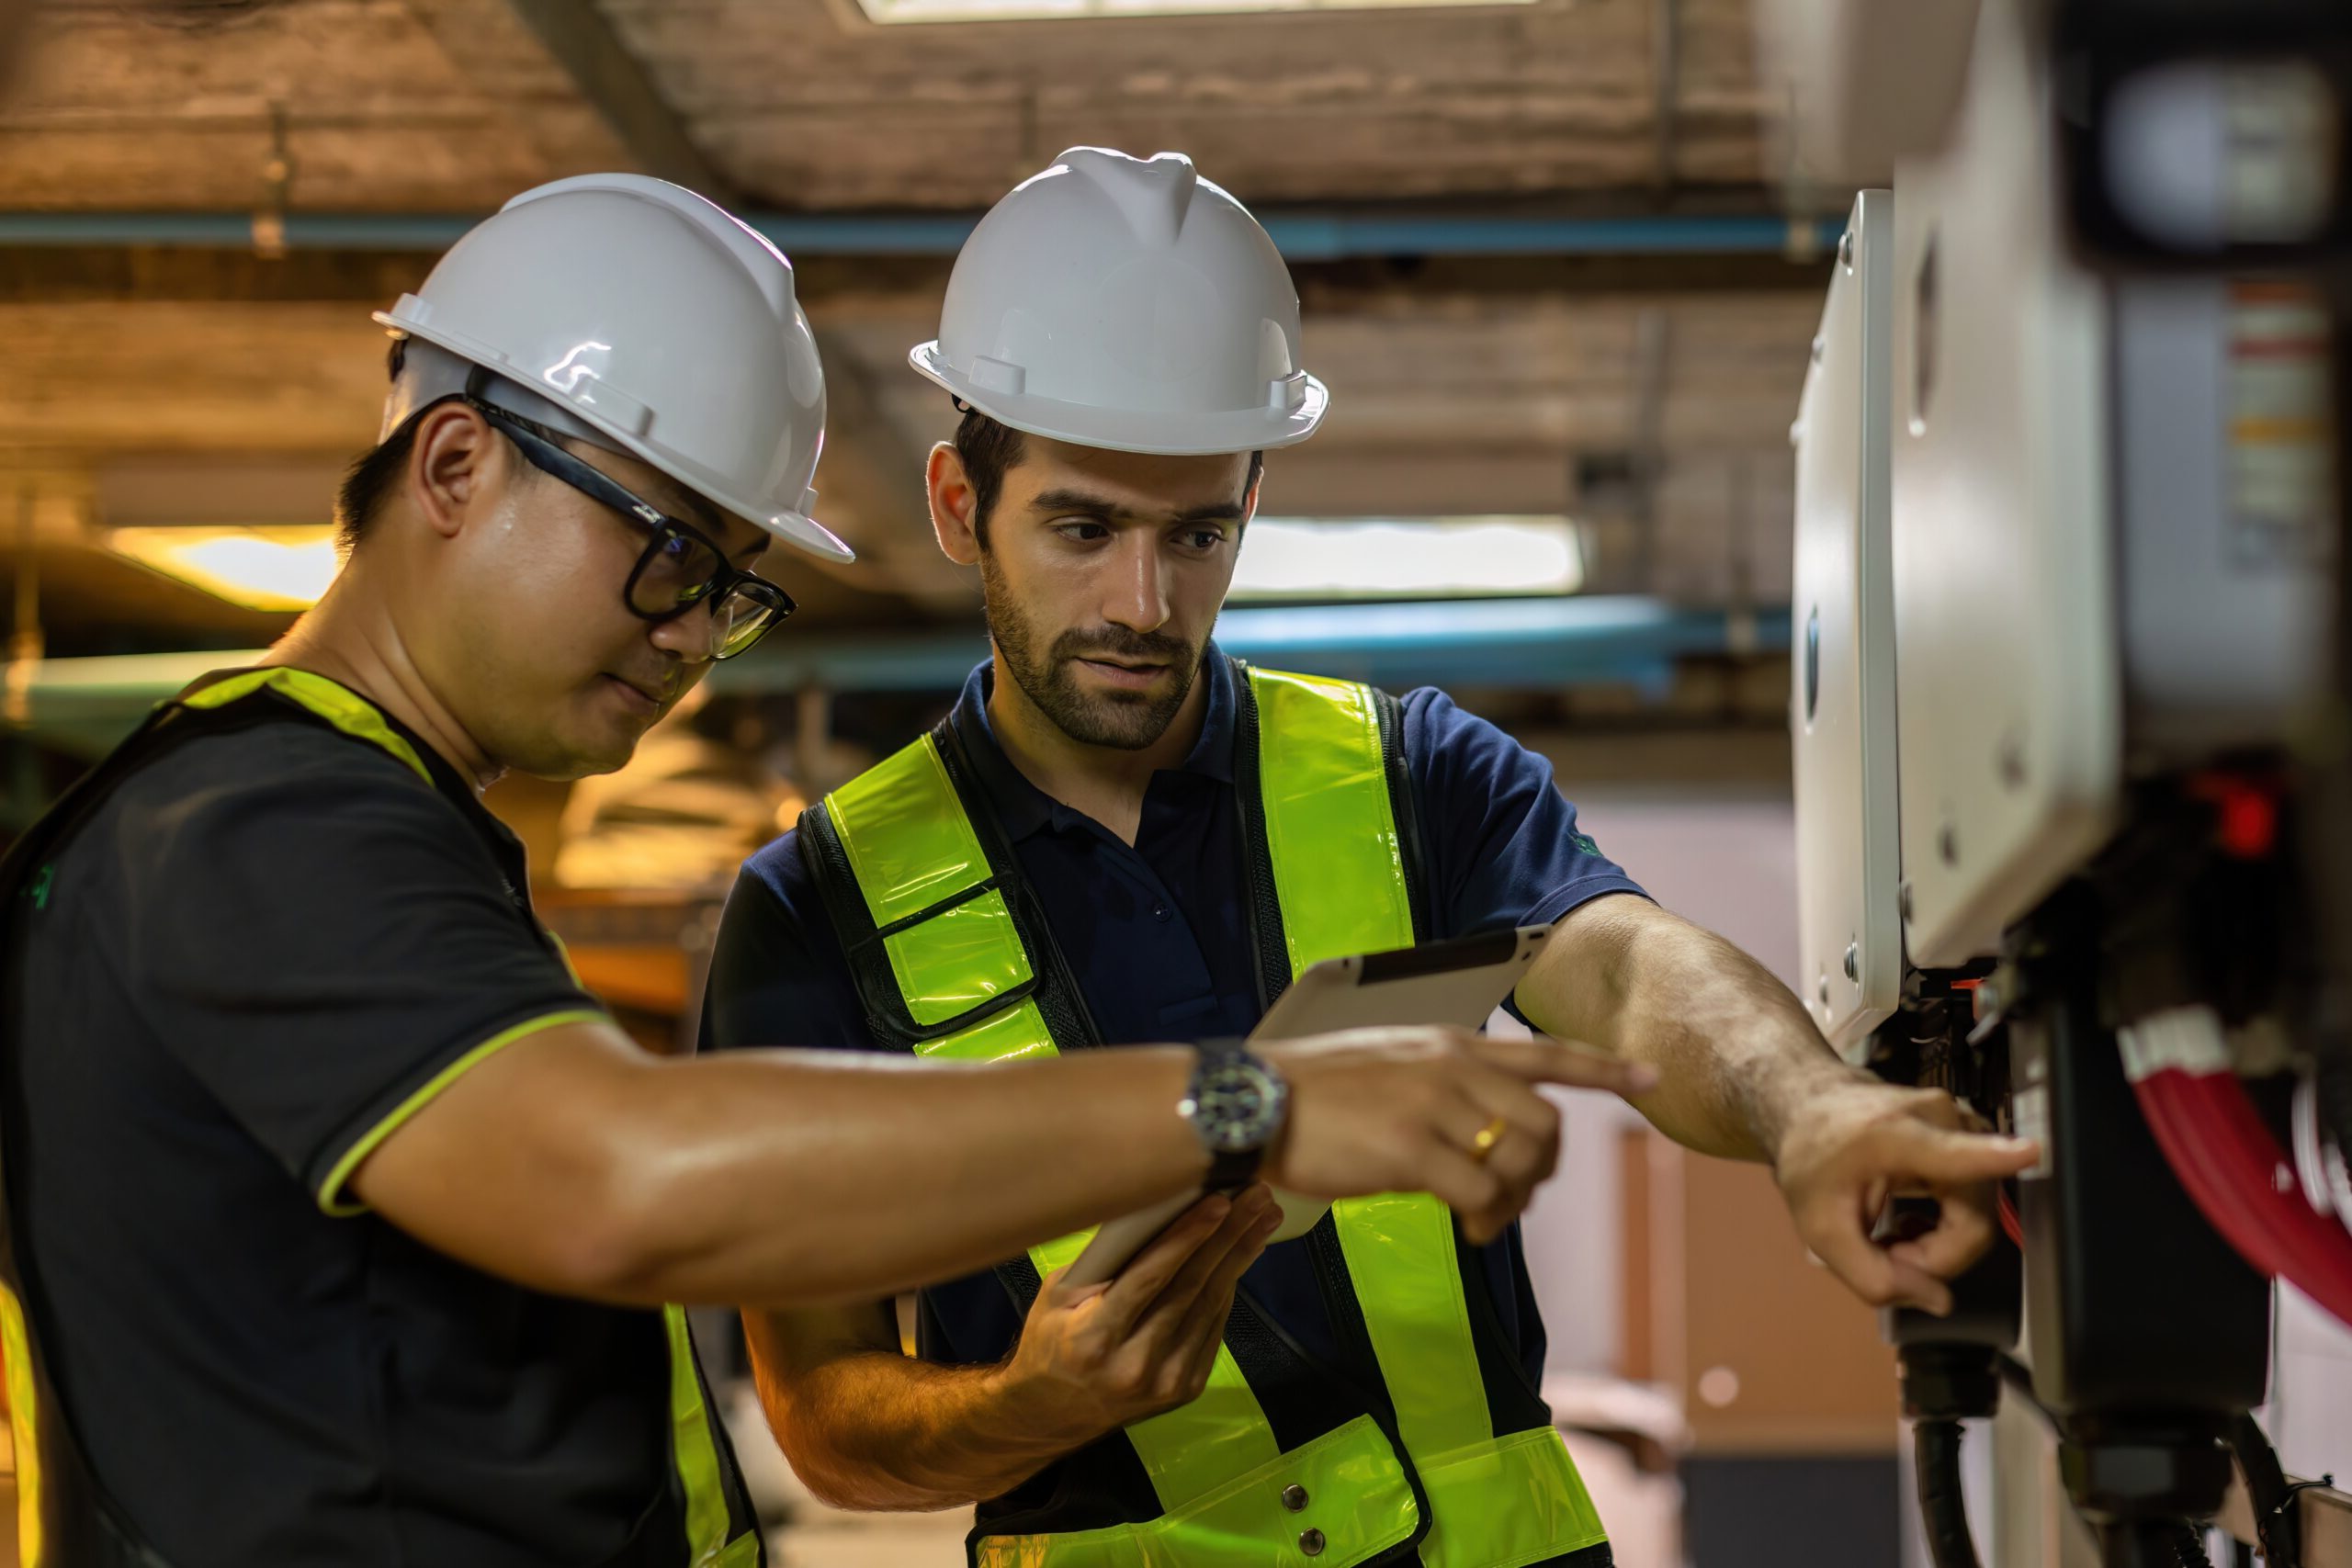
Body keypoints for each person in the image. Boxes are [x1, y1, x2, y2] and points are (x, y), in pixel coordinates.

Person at [0, 172, 1640, 1568]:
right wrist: (1241, 1102)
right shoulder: (263, 825)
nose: (695, 638)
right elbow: (624, 1177)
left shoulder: (347, 829)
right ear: (451, 467)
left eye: (730, 588)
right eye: (665, 555)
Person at [703, 148, 2039, 1568]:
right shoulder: (816, 908)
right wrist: (1028, 1407)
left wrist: (1808, 1108)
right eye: (1083, 530)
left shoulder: (1412, 776)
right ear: (962, 508)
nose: (1144, 604)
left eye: (1198, 533)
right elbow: (825, 1407)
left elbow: (1631, 968)